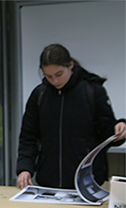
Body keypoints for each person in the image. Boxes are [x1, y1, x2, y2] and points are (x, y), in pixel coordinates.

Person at [16, 44, 126, 190]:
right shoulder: (40, 95)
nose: (54, 80)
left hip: (87, 181)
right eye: (48, 76)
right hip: (48, 182)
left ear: (71, 65)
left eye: (59, 74)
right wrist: (25, 168)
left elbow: (107, 134)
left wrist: (119, 128)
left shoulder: (92, 91)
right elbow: (28, 137)